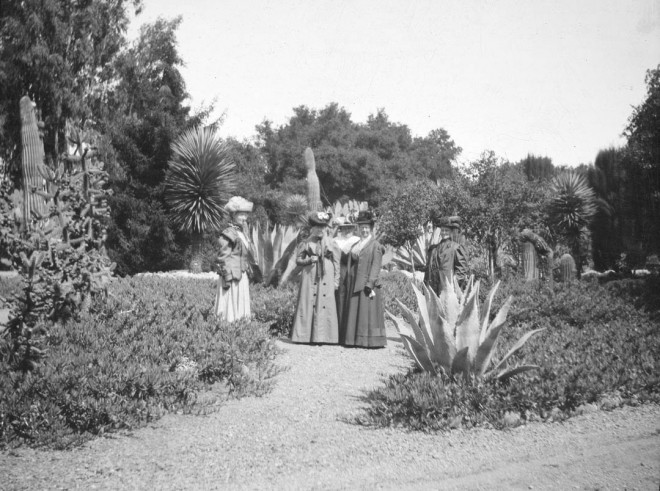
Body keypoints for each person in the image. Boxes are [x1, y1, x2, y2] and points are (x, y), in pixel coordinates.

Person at [291, 211, 340, 344]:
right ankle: (304, 336)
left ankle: (326, 337)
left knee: (325, 302)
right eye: (317, 227)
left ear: (326, 228)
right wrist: (308, 260)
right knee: (308, 302)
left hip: (326, 276)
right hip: (309, 276)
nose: (320, 230)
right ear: (312, 228)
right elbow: (298, 261)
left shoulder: (332, 243)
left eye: (322, 227)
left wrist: (336, 281)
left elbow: (337, 263)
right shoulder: (305, 243)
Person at [341, 210, 387, 348]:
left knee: (368, 314)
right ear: (358, 229)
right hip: (355, 283)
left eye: (367, 228)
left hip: (367, 284)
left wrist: (370, 284)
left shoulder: (376, 246)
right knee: (356, 313)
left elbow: (376, 266)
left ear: (371, 229)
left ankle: (370, 341)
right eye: (362, 228)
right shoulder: (355, 245)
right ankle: (353, 339)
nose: (364, 230)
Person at [214, 196, 254, 322]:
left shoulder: (243, 233)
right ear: (233, 215)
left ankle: (241, 328)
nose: (244, 218)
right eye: (241, 215)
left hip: (241, 274)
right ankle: (228, 327)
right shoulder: (228, 233)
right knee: (230, 305)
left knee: (241, 302)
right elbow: (223, 257)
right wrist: (226, 277)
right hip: (231, 276)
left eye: (246, 215)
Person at [424, 215, 469, 295]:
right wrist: (425, 287)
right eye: (442, 230)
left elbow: (461, 271)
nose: (444, 232)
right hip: (433, 290)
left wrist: (453, 286)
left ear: (451, 232)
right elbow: (428, 271)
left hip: (448, 291)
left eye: (447, 230)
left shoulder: (456, 248)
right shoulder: (433, 249)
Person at [332, 216, 359, 340]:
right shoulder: (335, 241)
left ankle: (349, 333)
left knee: (350, 299)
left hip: (352, 273)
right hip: (338, 272)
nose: (347, 230)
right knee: (339, 298)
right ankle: (338, 332)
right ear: (340, 229)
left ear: (353, 229)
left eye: (349, 228)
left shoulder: (357, 240)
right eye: (344, 228)